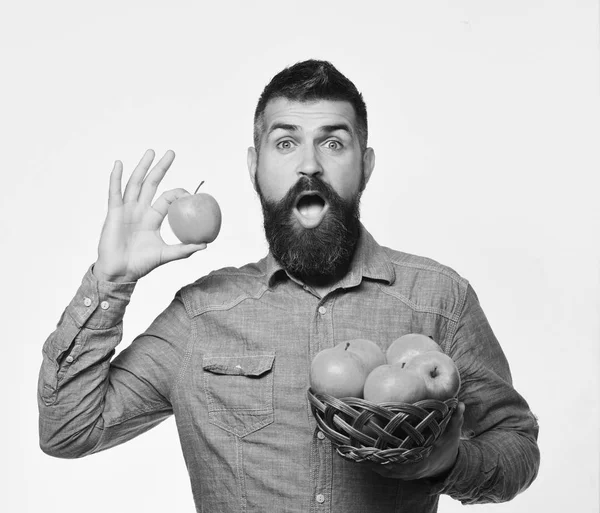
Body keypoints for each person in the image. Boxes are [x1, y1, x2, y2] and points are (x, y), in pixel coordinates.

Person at [38, 59, 540, 512]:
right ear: (254, 166)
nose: (309, 164)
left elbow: (515, 445)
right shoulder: (200, 315)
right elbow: (68, 430)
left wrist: (444, 463)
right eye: (285, 142)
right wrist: (111, 283)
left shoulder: (440, 301)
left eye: (333, 142)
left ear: (364, 165)